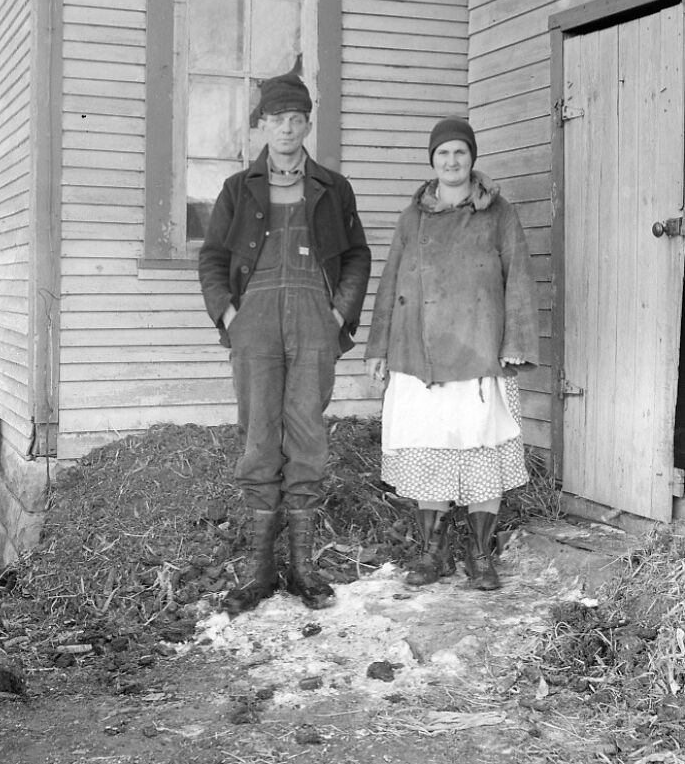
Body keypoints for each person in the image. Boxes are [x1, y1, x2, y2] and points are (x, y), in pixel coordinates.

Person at [199, 72, 371, 615]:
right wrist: (230, 312)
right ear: (263, 125)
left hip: (313, 322)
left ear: (307, 125)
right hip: (255, 324)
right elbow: (212, 258)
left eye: (297, 119)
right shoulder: (237, 188)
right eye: (277, 120)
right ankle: (259, 571)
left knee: (307, 432)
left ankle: (301, 567)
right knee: (258, 436)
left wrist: (340, 311)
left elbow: (358, 255)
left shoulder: (332, 187)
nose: (287, 130)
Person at [365, 116, 538, 591]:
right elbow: (390, 283)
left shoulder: (498, 213)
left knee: (481, 453)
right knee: (430, 452)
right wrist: (378, 346)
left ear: (472, 158)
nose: (452, 161)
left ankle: (481, 556)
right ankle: (432, 553)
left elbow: (519, 279)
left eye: (460, 152)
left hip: (479, 353)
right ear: (433, 161)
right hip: (419, 356)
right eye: (443, 154)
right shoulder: (413, 216)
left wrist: (517, 342)